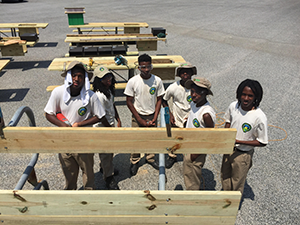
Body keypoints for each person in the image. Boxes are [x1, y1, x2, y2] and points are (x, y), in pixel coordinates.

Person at [44, 61, 109, 190]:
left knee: (88, 172)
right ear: (68, 76)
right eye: (73, 75)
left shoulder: (90, 95)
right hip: (65, 141)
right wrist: (62, 125)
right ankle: (70, 195)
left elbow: (100, 116)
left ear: (84, 77)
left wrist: (80, 124)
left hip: (84, 140)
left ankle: (89, 196)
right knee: (69, 173)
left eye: (80, 76)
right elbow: (48, 113)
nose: (76, 79)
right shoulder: (58, 92)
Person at [221, 79, 268, 195]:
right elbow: (228, 121)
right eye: (243, 94)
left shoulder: (259, 117)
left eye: (250, 96)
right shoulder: (233, 106)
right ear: (239, 94)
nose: (246, 98)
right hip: (228, 149)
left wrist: (239, 141)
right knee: (224, 176)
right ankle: (226, 201)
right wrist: (226, 135)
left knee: (237, 181)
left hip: (243, 155)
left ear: (256, 97)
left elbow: (262, 142)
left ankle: (233, 207)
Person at [124, 53, 165, 176]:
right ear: (139, 68)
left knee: (152, 138)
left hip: (152, 114)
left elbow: (159, 100)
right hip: (138, 115)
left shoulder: (157, 80)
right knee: (136, 139)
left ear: (151, 66)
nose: (146, 70)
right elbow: (129, 101)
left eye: (148, 67)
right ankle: (135, 160)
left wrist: (155, 116)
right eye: (143, 67)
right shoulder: (133, 81)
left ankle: (150, 157)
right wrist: (139, 119)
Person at [183, 77, 216, 190]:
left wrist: (195, 154)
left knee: (192, 177)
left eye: (198, 92)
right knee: (188, 175)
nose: (194, 95)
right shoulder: (194, 104)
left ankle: (193, 201)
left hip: (197, 149)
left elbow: (210, 137)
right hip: (188, 145)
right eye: (192, 91)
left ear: (205, 93)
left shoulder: (206, 114)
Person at [162, 62, 197, 169]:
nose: (185, 74)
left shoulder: (195, 87)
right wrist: (169, 114)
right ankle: (172, 156)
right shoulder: (173, 87)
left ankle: (189, 155)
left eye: (188, 72)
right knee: (174, 138)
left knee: (190, 138)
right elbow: (164, 100)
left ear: (192, 73)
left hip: (191, 117)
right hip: (177, 117)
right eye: (183, 72)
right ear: (179, 74)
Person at [92, 65, 121, 190]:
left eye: (109, 76)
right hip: (102, 127)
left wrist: (118, 119)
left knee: (109, 151)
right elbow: (100, 116)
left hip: (109, 124)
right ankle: (108, 178)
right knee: (105, 152)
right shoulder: (99, 95)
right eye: (104, 78)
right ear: (98, 80)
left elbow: (112, 105)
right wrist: (110, 129)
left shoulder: (108, 90)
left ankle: (105, 167)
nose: (108, 79)